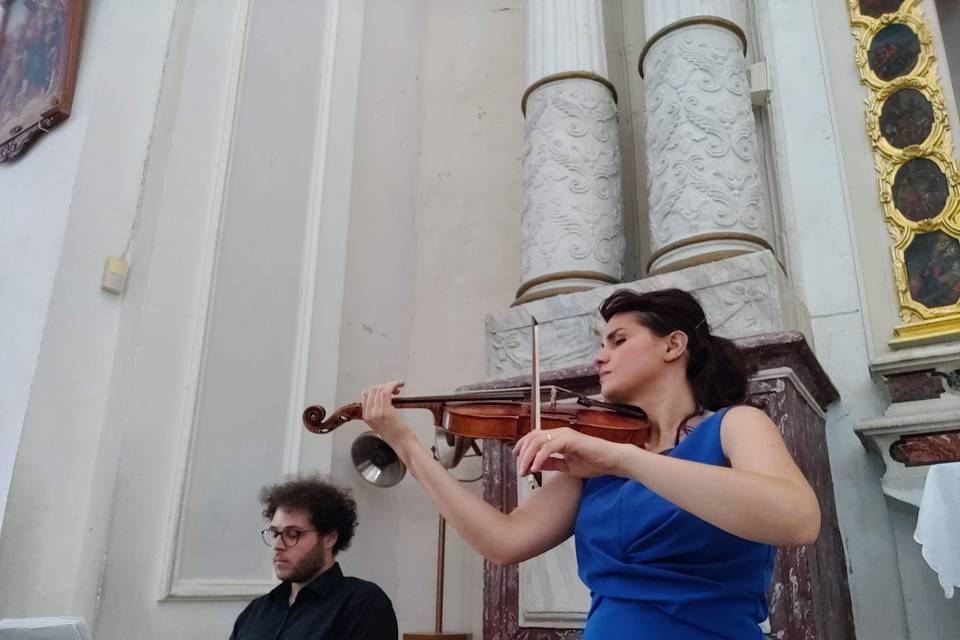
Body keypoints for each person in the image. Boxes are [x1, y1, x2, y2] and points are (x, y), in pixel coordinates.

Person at [360, 288, 821, 639]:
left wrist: (624, 459)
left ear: (673, 345)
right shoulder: (594, 458)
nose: (601, 356)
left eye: (619, 340)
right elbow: (502, 541)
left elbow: (796, 519)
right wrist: (408, 449)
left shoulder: (734, 426)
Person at [230, 474, 398, 640]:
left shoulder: (362, 603)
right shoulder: (255, 611)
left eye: (293, 534)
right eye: (275, 533)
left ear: (329, 538)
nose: (277, 545)